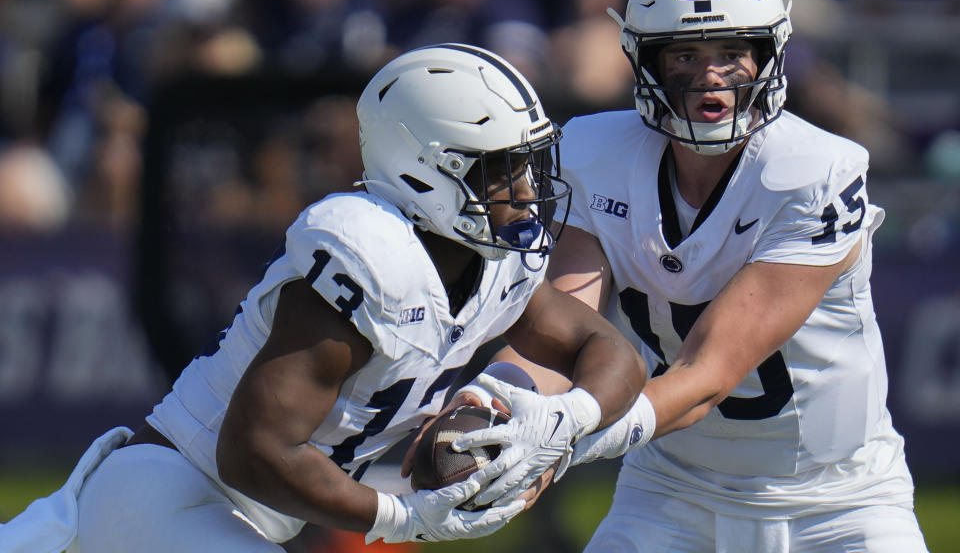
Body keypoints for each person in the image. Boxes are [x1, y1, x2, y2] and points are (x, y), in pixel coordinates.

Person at [0, 43, 645, 552]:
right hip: (172, 492)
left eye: (527, 166)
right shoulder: (370, 255)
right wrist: (403, 517)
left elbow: (608, 351)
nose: (527, 193)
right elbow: (254, 451)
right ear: (428, 169)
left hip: (249, 519)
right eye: (501, 170)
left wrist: (567, 419)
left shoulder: (494, 262)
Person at [475, 0, 930, 551]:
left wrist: (567, 435)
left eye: (732, 53)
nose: (710, 75)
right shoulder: (594, 156)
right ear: (646, 62)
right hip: (671, 494)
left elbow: (709, 371)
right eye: (684, 54)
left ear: (769, 55)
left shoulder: (816, 170)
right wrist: (490, 406)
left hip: (838, 502)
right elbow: (563, 330)